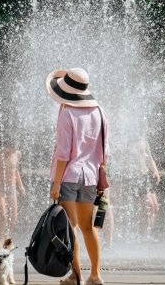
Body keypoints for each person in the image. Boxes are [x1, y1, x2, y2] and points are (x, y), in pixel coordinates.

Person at [46, 68, 106, 285]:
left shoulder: (67, 114)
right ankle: (96, 275)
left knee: (70, 227)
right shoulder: (99, 111)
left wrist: (56, 184)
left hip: (69, 176)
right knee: (88, 227)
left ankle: (76, 275)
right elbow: (104, 150)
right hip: (90, 176)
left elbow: (63, 153)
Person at [131, 138, 161, 237]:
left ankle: (147, 234)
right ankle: (142, 234)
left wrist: (155, 171)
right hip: (136, 176)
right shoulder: (127, 140)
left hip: (146, 175)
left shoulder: (143, 140)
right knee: (148, 206)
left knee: (155, 207)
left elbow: (149, 158)